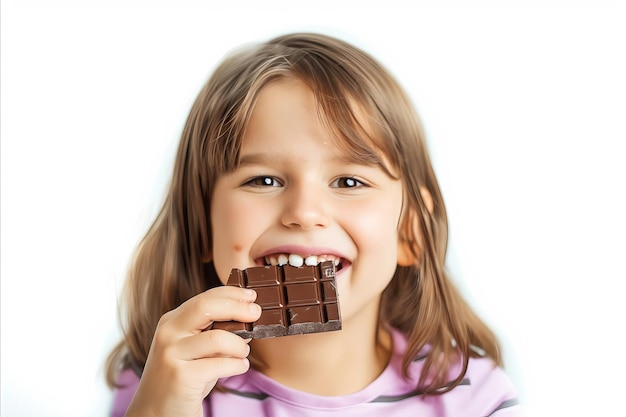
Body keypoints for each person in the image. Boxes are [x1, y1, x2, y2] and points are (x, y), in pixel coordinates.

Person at [106, 32, 521, 417]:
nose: (304, 213)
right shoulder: (168, 382)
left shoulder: (473, 397)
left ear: (409, 230)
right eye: (264, 180)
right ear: (201, 223)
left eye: (349, 181)